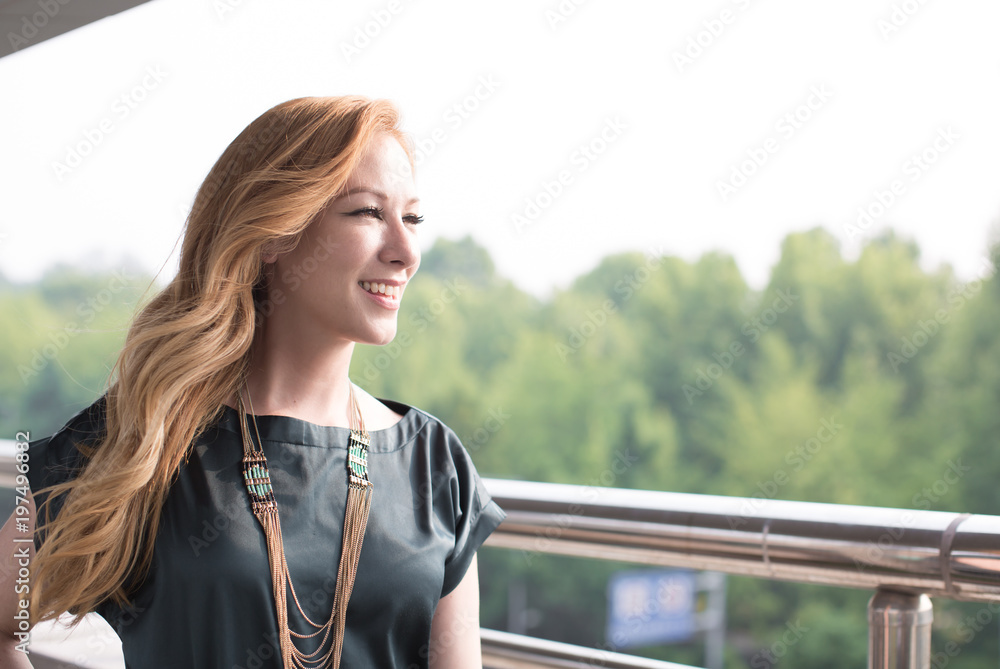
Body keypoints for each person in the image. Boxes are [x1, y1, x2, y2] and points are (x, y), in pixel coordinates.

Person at [0, 95, 506, 668]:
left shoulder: (434, 465)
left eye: (412, 218)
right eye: (368, 213)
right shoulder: (146, 438)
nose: (405, 251)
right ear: (273, 234)